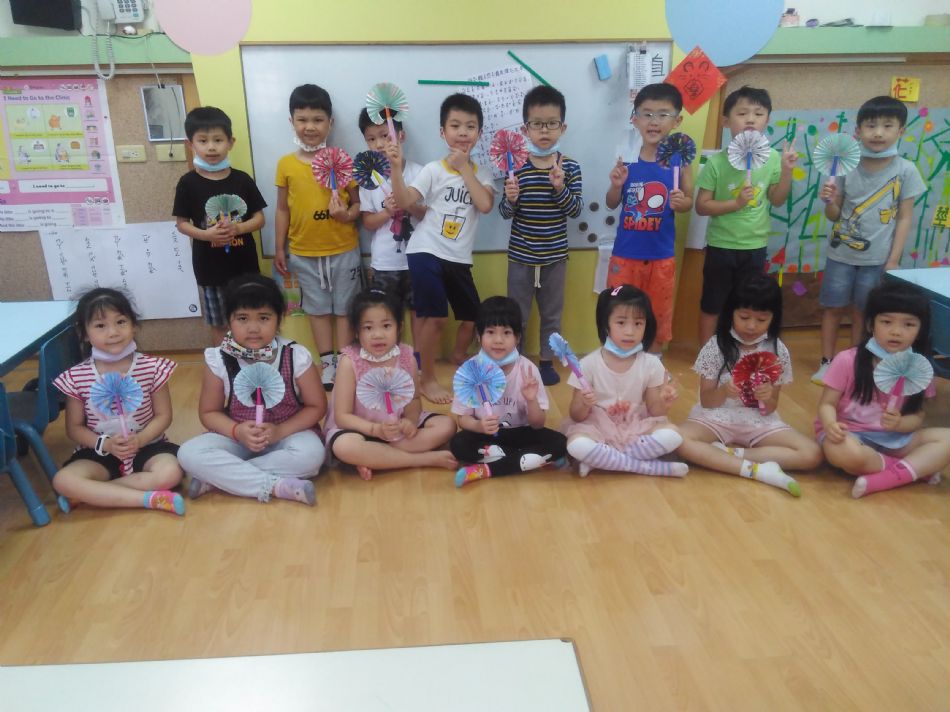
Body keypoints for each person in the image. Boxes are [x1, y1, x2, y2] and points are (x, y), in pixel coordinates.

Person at [177, 274, 327, 506]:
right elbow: (208, 412)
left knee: (312, 455)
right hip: (237, 438)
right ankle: (277, 486)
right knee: (188, 453)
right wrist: (237, 431)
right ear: (228, 321)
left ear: (279, 319)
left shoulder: (294, 355)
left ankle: (220, 479)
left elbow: (317, 407)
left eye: (264, 318)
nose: (254, 328)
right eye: (242, 318)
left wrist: (279, 431)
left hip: (287, 435)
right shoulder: (218, 358)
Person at [387, 93, 495, 404]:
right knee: (434, 318)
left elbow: (485, 204)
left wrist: (465, 169)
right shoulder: (433, 169)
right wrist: (395, 168)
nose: (463, 132)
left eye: (470, 126)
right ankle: (427, 378)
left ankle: (457, 354)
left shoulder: (482, 174)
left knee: (472, 316)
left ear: (479, 133)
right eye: (455, 126)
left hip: (458, 257)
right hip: (426, 250)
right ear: (442, 132)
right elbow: (405, 201)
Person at [811, 96, 926, 385]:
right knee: (832, 309)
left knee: (864, 313)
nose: (878, 133)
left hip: (878, 259)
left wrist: (893, 259)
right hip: (840, 256)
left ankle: (856, 363)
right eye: (871, 126)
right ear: (858, 131)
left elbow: (904, 218)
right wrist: (829, 201)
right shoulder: (845, 167)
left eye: (887, 126)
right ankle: (827, 362)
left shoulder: (906, 170)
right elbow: (834, 215)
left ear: (901, 131)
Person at [676, 274, 821, 496]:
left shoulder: (777, 350)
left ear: (774, 317)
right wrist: (724, 391)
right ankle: (756, 471)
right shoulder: (717, 346)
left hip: (758, 421)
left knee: (812, 454)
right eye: (744, 317)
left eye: (761, 320)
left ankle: (730, 456)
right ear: (731, 312)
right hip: (716, 417)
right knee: (676, 440)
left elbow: (771, 407)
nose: (752, 326)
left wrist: (767, 397)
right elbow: (707, 400)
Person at [51, 288, 184, 515]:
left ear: (134, 325)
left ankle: (89, 495)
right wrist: (106, 445)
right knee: (62, 480)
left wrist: (140, 439)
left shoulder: (152, 367)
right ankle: (149, 499)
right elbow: (74, 428)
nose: (113, 332)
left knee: (171, 473)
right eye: (100, 325)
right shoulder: (76, 376)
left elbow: (163, 415)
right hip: (99, 452)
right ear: (84, 333)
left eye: (121, 322)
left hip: (148, 445)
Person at [816, 281, 949, 498]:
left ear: (920, 330)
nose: (896, 331)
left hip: (894, 438)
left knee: (947, 440)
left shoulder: (919, 368)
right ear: (870, 325)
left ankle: (887, 476)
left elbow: (918, 416)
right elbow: (826, 404)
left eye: (908, 325)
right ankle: (913, 470)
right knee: (844, 452)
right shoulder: (847, 360)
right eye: (886, 322)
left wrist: (900, 423)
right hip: (850, 434)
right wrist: (831, 424)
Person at [274, 84, 362, 391]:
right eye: (302, 120)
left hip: (343, 248)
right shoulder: (286, 165)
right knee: (317, 309)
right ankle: (327, 364)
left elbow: (358, 205)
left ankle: (346, 363)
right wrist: (279, 248)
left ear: (330, 123)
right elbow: (282, 209)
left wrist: (345, 215)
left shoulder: (343, 161)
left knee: (345, 309)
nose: (310, 127)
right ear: (292, 121)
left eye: (318, 120)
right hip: (303, 252)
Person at [694, 85, 798, 345]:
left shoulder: (773, 159)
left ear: (767, 120)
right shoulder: (717, 162)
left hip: (755, 245)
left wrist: (786, 171)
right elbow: (702, 206)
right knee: (713, 303)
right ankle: (706, 354)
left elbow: (777, 199)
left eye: (758, 114)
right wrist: (736, 203)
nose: (750, 119)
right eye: (742, 113)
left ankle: (741, 351)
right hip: (721, 245)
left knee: (748, 304)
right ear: (726, 121)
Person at [325, 288, 457, 480]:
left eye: (386, 326)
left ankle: (377, 457)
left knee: (447, 425)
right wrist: (375, 430)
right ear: (357, 331)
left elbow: (414, 399)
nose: (378, 334)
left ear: (399, 327)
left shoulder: (406, 357)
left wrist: (410, 421)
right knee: (344, 446)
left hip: (397, 428)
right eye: (368, 328)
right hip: (360, 430)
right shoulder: (349, 362)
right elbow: (342, 416)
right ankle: (421, 459)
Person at [500, 85, 583, 385]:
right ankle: (517, 362)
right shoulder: (515, 167)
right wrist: (510, 199)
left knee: (551, 315)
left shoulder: (569, 166)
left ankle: (547, 362)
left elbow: (575, 210)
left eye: (551, 123)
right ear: (525, 129)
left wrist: (559, 187)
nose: (544, 130)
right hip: (521, 257)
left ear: (563, 127)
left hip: (555, 258)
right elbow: (504, 213)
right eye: (537, 124)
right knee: (517, 315)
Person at [562, 285, 687, 478]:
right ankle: (648, 467)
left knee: (673, 435)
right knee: (577, 444)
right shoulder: (587, 364)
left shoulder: (652, 364)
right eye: (621, 323)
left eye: (638, 324)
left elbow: (655, 411)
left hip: (635, 424)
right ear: (606, 325)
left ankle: (604, 460)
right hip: (596, 426)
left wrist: (664, 402)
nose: (630, 331)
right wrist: (585, 404)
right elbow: (576, 416)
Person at [606, 83, 693, 355]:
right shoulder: (627, 159)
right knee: (619, 311)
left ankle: (654, 362)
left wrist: (682, 202)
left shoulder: (680, 161)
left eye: (663, 114)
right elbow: (611, 203)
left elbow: (688, 201)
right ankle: (620, 360)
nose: (654, 121)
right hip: (625, 255)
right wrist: (616, 186)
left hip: (660, 257)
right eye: (647, 114)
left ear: (677, 120)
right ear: (635, 119)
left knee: (658, 313)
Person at [173, 106, 267, 344]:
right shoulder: (187, 183)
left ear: (230, 142)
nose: (211, 147)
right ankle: (225, 362)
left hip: (244, 268)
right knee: (220, 324)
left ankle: (251, 360)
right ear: (190, 144)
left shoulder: (242, 180)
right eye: (203, 141)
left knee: (250, 319)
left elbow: (259, 219)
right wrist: (206, 234)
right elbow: (182, 224)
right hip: (210, 271)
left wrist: (239, 228)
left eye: (218, 140)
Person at [451, 296, 567, 486]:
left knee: (560, 442)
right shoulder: (470, 370)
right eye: (490, 332)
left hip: (522, 432)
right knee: (458, 443)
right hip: (486, 436)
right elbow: (462, 419)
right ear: (479, 336)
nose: (498, 340)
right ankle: (531, 460)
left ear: (517, 337)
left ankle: (486, 469)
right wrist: (479, 426)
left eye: (506, 332)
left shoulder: (527, 369)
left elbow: (538, 424)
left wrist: (531, 400)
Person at [357, 108, 426, 363]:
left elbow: (427, 215)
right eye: (371, 138)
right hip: (385, 263)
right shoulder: (368, 180)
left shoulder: (420, 173)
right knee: (386, 316)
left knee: (420, 312)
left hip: (418, 259)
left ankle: (417, 360)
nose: (379, 144)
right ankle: (392, 359)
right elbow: (367, 222)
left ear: (401, 136)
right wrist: (387, 212)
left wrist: (407, 204)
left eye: (385, 136)